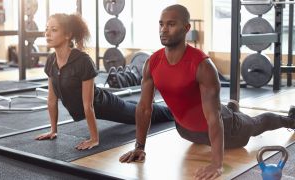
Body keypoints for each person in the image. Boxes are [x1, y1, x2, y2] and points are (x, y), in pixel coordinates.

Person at [119, 4, 295, 180]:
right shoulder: (152, 63)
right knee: (219, 108)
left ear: (186, 28)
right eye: (161, 24)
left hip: (227, 130)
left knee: (255, 124)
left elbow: (214, 118)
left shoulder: (202, 65)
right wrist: (139, 146)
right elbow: (143, 108)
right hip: (186, 131)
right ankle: (233, 107)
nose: (163, 30)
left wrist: (217, 164)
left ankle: (289, 121)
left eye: (171, 24)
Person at [35, 13, 174, 150]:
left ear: (68, 35)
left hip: (105, 105)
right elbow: (51, 100)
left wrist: (94, 139)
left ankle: (174, 112)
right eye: (46, 29)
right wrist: (53, 130)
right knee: (136, 106)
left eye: (54, 30)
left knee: (140, 114)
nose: (47, 33)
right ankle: (146, 104)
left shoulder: (82, 61)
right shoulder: (51, 61)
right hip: (95, 106)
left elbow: (88, 105)